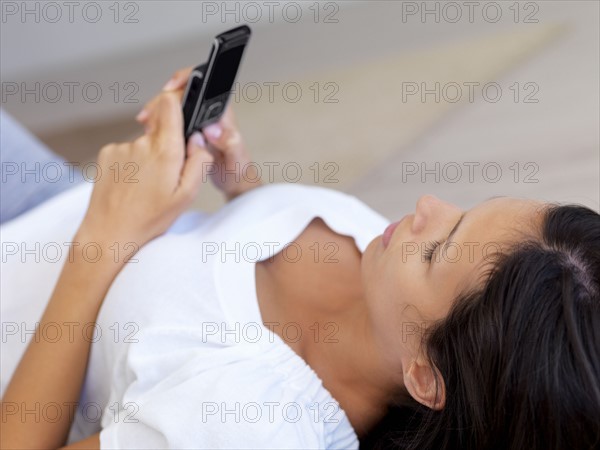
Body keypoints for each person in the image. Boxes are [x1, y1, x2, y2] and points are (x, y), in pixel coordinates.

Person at [1, 67, 598, 450]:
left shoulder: (246, 427)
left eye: (439, 248)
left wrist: (104, 238)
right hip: (58, 204)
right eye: (464, 209)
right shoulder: (386, 275)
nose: (426, 206)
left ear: (425, 374)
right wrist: (241, 181)